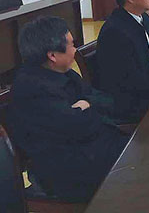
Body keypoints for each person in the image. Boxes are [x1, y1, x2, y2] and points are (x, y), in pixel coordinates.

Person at [7, 16, 129, 202]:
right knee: (141, 167)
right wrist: (90, 108)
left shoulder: (65, 74)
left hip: (92, 149)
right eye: (72, 45)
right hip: (67, 171)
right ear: (53, 56)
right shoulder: (31, 88)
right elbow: (80, 127)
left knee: (145, 152)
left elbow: (107, 101)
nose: (75, 50)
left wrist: (86, 104)